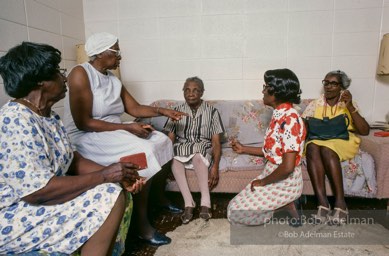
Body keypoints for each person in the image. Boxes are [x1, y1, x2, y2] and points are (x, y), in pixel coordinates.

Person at [0, 42, 145, 255]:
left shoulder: (49, 116)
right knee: (108, 196)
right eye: (59, 72)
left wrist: (117, 174)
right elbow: (36, 192)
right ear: (41, 80)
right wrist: (105, 175)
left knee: (115, 189)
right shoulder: (14, 120)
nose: (65, 78)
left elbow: (74, 161)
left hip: (41, 200)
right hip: (15, 214)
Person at [63, 32, 186, 246]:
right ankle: (141, 225)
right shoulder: (80, 73)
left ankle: (158, 197)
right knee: (145, 152)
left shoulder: (112, 79)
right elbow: (84, 122)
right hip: (87, 135)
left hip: (112, 130)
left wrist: (164, 111)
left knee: (163, 141)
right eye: (116, 51)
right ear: (100, 53)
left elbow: (134, 107)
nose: (120, 56)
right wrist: (127, 127)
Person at [227, 68, 306, 226]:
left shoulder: (290, 119)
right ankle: (288, 203)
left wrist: (263, 182)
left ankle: (288, 203)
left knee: (235, 215)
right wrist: (243, 149)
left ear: (276, 92)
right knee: (232, 208)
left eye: (266, 86)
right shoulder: (279, 114)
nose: (262, 90)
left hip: (285, 181)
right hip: (272, 172)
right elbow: (272, 152)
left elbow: (288, 166)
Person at [302, 70, 369, 224]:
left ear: (342, 87)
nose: (329, 86)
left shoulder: (347, 104)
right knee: (311, 146)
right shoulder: (315, 104)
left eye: (334, 83)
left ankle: (340, 204)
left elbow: (364, 130)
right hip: (319, 139)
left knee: (327, 149)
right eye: (326, 82)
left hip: (343, 140)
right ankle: (323, 204)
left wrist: (350, 106)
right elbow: (303, 128)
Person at [164, 77, 225, 224]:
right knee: (175, 156)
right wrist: (165, 165)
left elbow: (216, 142)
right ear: (183, 92)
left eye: (195, 90)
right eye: (187, 90)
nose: (191, 93)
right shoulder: (176, 112)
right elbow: (169, 139)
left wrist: (215, 166)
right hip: (182, 147)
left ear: (202, 92)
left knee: (198, 154)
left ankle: (206, 202)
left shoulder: (212, 112)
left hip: (202, 147)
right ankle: (188, 203)